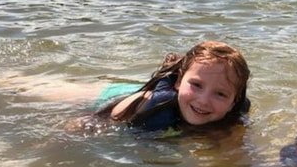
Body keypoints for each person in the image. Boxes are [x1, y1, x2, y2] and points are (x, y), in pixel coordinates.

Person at [92, 41, 252, 132]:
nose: (204, 101)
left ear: (233, 103)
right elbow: (91, 124)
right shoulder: (149, 105)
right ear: (178, 81)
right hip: (113, 95)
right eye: (196, 85)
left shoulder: (235, 120)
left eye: (220, 94)